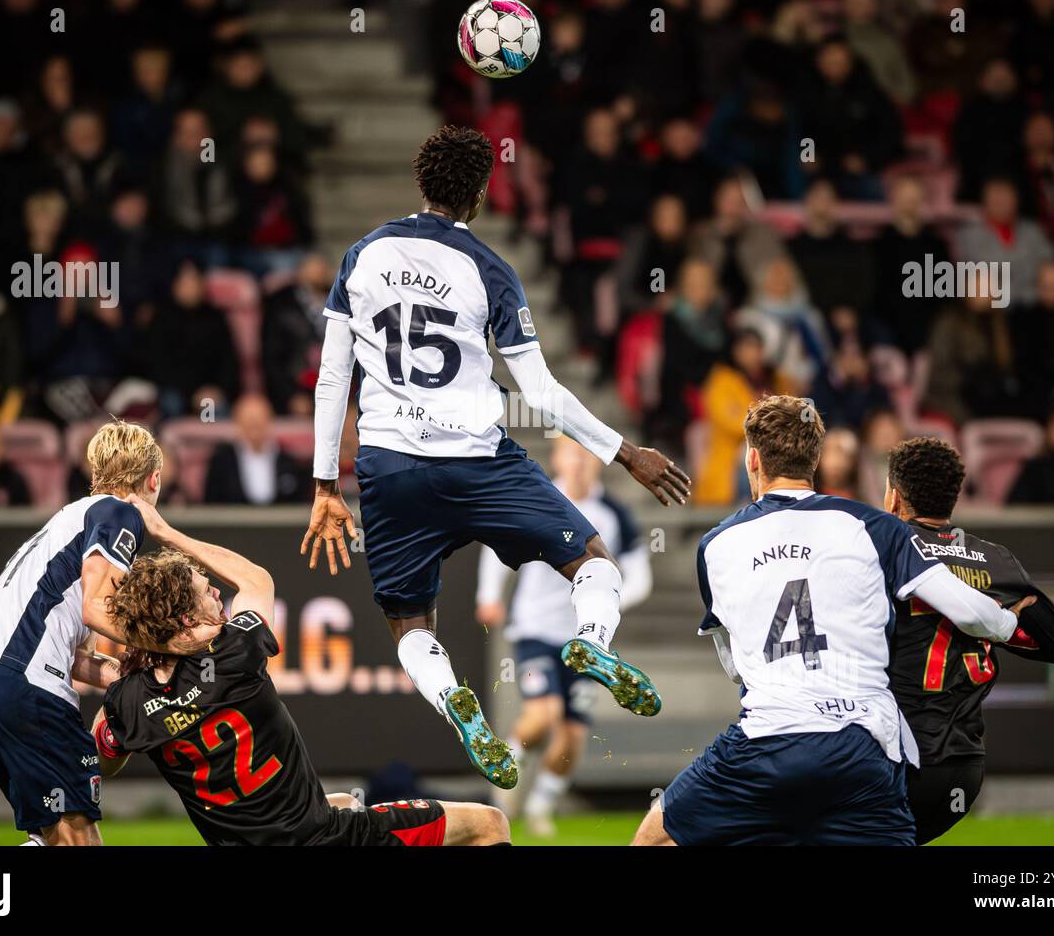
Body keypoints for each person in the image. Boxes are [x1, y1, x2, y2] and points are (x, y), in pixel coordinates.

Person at [304, 125, 690, 789]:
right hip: (481, 462)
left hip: (390, 468)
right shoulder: (489, 269)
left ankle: (457, 702)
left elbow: (331, 379)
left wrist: (322, 485)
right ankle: (593, 644)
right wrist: (625, 452)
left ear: (422, 183)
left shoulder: (361, 256)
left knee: (409, 624)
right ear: (482, 192)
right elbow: (540, 393)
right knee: (592, 559)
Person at [633, 395, 1033, 846]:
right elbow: (968, 610)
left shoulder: (715, 544)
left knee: (656, 838)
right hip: (863, 748)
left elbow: (735, 665)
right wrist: (1006, 622)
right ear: (817, 459)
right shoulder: (876, 527)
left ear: (753, 459)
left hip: (767, 743)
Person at [96, 499, 510, 847]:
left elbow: (108, 755)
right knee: (489, 825)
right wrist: (168, 533)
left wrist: (121, 677)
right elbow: (254, 579)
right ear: (187, 620)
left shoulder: (127, 702)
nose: (217, 593)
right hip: (318, 839)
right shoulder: (232, 653)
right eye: (207, 592)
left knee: (347, 801)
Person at [0, 420, 213, 846]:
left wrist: (130, 680)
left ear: (95, 475)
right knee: (79, 842)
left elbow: (71, 654)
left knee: (54, 838)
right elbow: (95, 609)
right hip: (23, 687)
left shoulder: (64, 522)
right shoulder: (120, 512)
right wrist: (173, 648)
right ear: (154, 478)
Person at [883, 437, 1054, 843]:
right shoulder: (995, 560)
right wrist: (1008, 621)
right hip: (965, 767)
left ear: (894, 496)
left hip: (900, 757)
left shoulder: (886, 550)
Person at [475, 436, 652, 835]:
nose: (579, 463)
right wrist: (488, 595)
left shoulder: (613, 515)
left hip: (587, 642)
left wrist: (609, 601)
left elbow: (640, 575)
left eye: (587, 455)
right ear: (557, 457)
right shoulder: (538, 497)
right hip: (535, 629)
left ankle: (540, 807)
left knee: (571, 738)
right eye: (572, 453)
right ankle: (507, 772)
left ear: (599, 463)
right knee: (544, 715)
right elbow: (497, 545)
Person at [204, 392, 311, 504]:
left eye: (259, 420)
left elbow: (299, 503)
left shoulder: (289, 462)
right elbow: (211, 503)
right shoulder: (221, 462)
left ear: (269, 421)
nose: (254, 425)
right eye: (248, 420)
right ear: (238, 423)